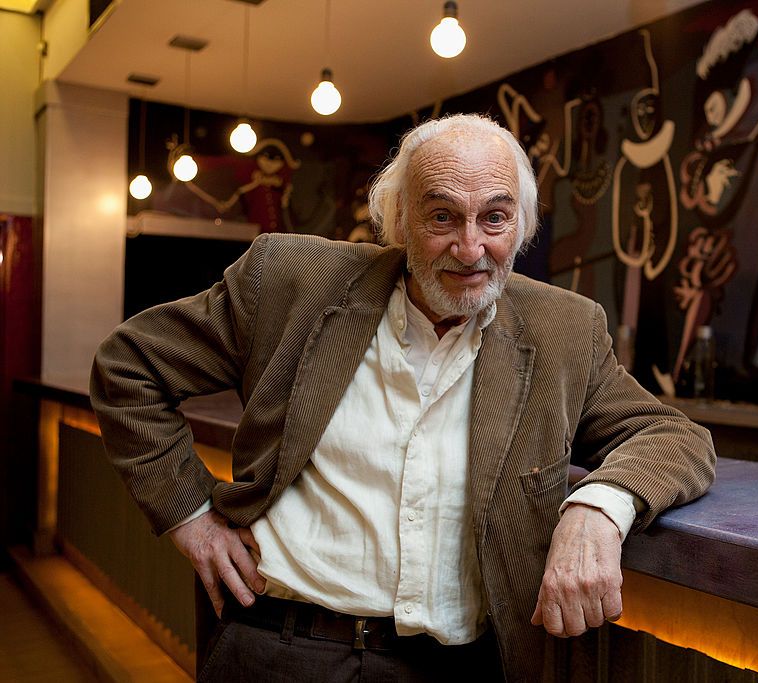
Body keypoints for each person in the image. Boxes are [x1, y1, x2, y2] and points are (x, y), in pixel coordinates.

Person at [91, 114, 716, 682]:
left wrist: (599, 507)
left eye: (494, 218)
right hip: (279, 647)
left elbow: (674, 437)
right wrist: (190, 518)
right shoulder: (291, 281)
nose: (471, 249)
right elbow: (129, 366)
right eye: (441, 216)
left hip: (453, 668)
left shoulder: (564, 329)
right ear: (398, 222)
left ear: (520, 226)